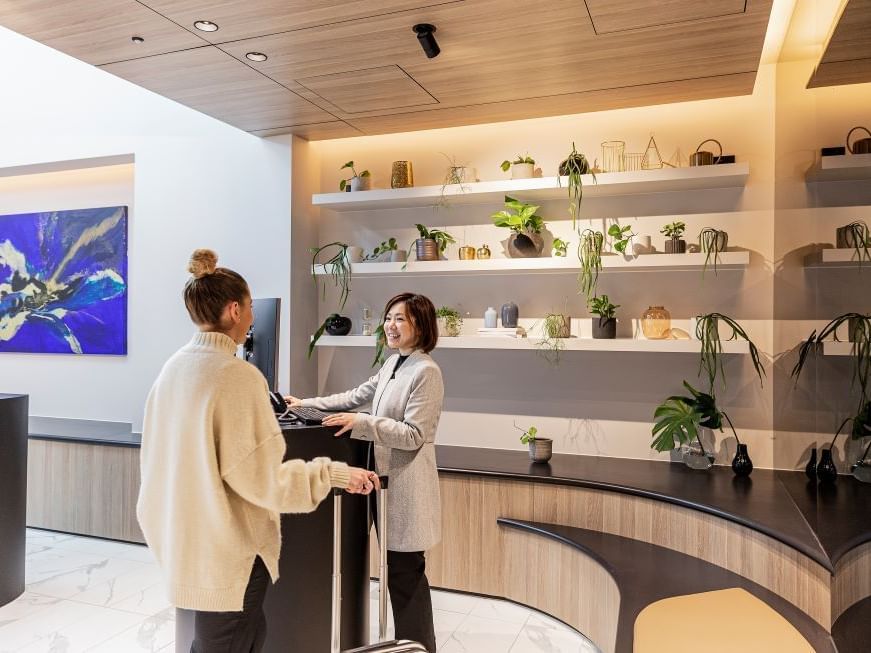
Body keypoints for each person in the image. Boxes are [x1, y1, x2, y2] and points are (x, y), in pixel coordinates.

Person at [137, 249, 377, 653]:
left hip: (186, 543)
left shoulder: (173, 369)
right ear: (234, 310)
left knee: (226, 638)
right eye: (249, 307)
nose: (251, 316)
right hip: (228, 553)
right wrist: (337, 474)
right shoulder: (237, 377)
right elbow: (264, 481)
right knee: (230, 641)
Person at [287, 292, 443, 653]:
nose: (391, 325)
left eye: (400, 318)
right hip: (382, 487)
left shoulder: (426, 372)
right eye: (389, 317)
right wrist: (304, 404)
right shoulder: (393, 364)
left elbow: (414, 435)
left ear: (421, 324)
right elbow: (354, 395)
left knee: (407, 577)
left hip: (406, 491)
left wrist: (363, 422)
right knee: (397, 574)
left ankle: (420, 648)